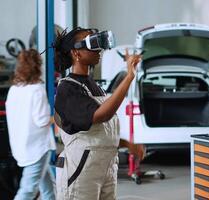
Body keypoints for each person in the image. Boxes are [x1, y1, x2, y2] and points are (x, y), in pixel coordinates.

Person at [53, 27, 141, 199]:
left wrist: (126, 144)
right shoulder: (68, 88)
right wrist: (129, 76)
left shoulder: (95, 87)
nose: (99, 48)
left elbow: (99, 134)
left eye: (98, 42)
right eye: (92, 43)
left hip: (105, 167)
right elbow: (101, 115)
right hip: (81, 170)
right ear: (76, 53)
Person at [5, 49, 56, 200]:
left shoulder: (14, 90)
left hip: (22, 146)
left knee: (47, 188)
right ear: (37, 67)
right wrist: (59, 117)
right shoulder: (37, 90)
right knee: (27, 191)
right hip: (37, 148)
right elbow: (42, 120)